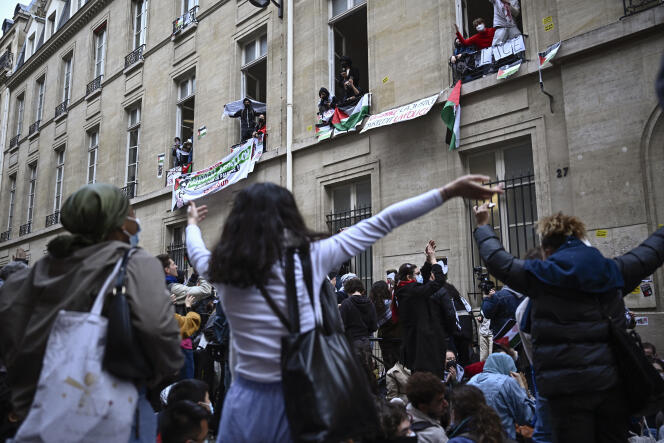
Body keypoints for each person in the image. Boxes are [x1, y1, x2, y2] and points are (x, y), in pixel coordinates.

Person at [184, 175, 502, 441]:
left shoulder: (221, 268)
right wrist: (448, 191)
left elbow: (195, 248)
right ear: (288, 216)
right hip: (302, 401)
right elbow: (384, 221)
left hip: (245, 400)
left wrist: (191, 223)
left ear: (239, 222)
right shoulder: (311, 257)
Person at [0, 183, 182, 441]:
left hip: (41, 406)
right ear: (117, 224)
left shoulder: (41, 269)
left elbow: (9, 325)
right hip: (112, 407)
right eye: (131, 216)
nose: (136, 223)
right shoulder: (135, 264)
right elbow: (157, 329)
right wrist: (160, 372)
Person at [473, 206, 664, 442]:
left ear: (546, 249)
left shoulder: (540, 275)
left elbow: (497, 260)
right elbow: (651, 252)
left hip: (563, 394)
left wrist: (482, 225)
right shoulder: (612, 270)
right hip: (609, 387)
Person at [396, 241, 448, 376]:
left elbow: (423, 280)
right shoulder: (412, 291)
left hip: (417, 345)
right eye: (416, 274)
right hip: (423, 347)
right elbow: (438, 281)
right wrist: (434, 261)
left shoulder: (404, 289)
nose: (419, 275)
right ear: (409, 277)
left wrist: (427, 260)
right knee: (426, 380)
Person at [467, 353, 534, 440]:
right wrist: (521, 387)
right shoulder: (507, 382)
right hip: (501, 438)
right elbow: (527, 416)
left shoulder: (472, 381)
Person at [339, 277, 377, 377]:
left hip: (351, 342)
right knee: (367, 373)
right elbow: (374, 326)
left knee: (353, 375)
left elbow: (341, 325)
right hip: (366, 342)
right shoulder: (370, 303)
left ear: (348, 289)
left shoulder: (346, 304)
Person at [405, 371, 449, 443]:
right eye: (439, 401)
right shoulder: (434, 434)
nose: (446, 404)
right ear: (423, 407)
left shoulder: (403, 418)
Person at [371, 280, 401, 372]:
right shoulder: (392, 304)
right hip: (396, 337)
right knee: (398, 367)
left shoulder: (373, 306)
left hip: (384, 338)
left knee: (388, 365)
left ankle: (390, 384)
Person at [175, 294, 202, 380]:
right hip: (183, 348)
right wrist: (188, 307)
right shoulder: (167, 315)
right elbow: (192, 322)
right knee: (186, 381)